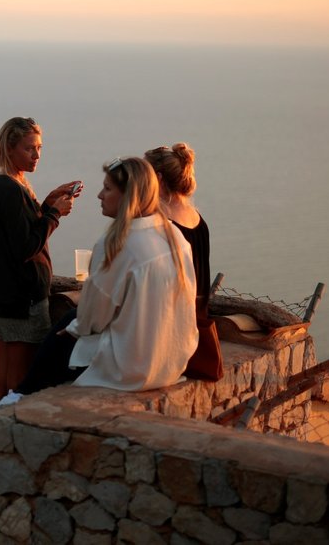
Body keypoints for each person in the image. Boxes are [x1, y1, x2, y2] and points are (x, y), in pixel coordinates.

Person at [16, 157, 197, 393]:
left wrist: (73, 330)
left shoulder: (116, 244)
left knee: (64, 331)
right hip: (171, 364)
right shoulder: (174, 236)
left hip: (129, 370)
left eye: (108, 188)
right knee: (70, 323)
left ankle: (20, 397)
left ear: (128, 196)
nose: (100, 195)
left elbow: (93, 318)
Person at [0, 118, 78, 408]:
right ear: (9, 149)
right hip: (21, 300)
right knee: (18, 383)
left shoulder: (6, 183)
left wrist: (47, 205)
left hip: (4, 294)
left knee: (0, 379)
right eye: (29, 149)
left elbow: (21, 230)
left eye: (39, 148)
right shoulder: (10, 188)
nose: (36, 155)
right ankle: (1, 448)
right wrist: (54, 215)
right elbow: (25, 245)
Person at [145, 143, 222, 380]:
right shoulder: (198, 219)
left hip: (169, 324)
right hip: (195, 321)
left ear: (157, 177)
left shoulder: (159, 221)